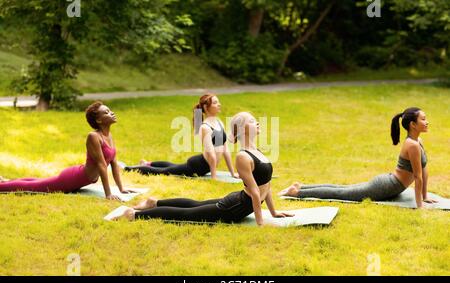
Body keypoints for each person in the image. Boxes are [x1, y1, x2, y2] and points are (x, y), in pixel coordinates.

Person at [110, 112, 294, 225]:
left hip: (238, 201)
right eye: (253, 121)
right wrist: (261, 222)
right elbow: (255, 192)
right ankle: (134, 215)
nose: (258, 123)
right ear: (241, 128)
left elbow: (266, 186)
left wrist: (273, 212)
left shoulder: (257, 151)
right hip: (234, 208)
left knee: (196, 204)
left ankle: (154, 203)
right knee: (188, 214)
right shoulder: (243, 156)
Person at [278, 107, 437, 209]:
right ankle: (297, 192)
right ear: (412, 125)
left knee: (344, 189)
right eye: (423, 119)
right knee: (343, 193)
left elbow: (424, 170)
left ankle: (301, 186)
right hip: (387, 186)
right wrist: (420, 206)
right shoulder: (413, 145)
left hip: (389, 183)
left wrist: (424, 197)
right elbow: (417, 177)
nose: (427, 122)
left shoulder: (418, 142)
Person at [0, 101, 134, 200]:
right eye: (106, 112)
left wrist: (121, 189)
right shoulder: (93, 136)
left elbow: (114, 164)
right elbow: (101, 165)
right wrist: (108, 194)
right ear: (98, 120)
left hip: (80, 177)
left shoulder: (109, 136)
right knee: (35, 187)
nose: (112, 113)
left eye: (110, 111)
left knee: (38, 182)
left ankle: (5, 181)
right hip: (72, 179)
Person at [124, 93, 238, 180]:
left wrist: (233, 173)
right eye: (215, 103)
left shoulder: (219, 122)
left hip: (204, 165)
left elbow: (225, 149)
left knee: (172, 166)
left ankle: (147, 163)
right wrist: (214, 177)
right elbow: (211, 154)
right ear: (206, 107)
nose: (219, 105)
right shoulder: (205, 127)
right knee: (165, 171)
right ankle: (128, 168)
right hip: (197, 166)